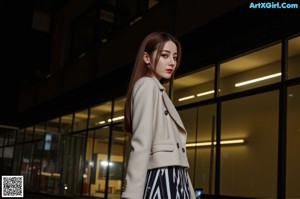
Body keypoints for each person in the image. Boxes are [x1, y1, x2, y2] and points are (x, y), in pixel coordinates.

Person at [121, 31, 196, 199]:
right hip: (163, 178)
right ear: (146, 58)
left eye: (175, 57)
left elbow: (178, 156)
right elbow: (141, 144)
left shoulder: (159, 92)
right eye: (165, 55)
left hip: (175, 178)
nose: (172, 62)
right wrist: (131, 195)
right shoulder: (147, 85)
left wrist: (188, 191)